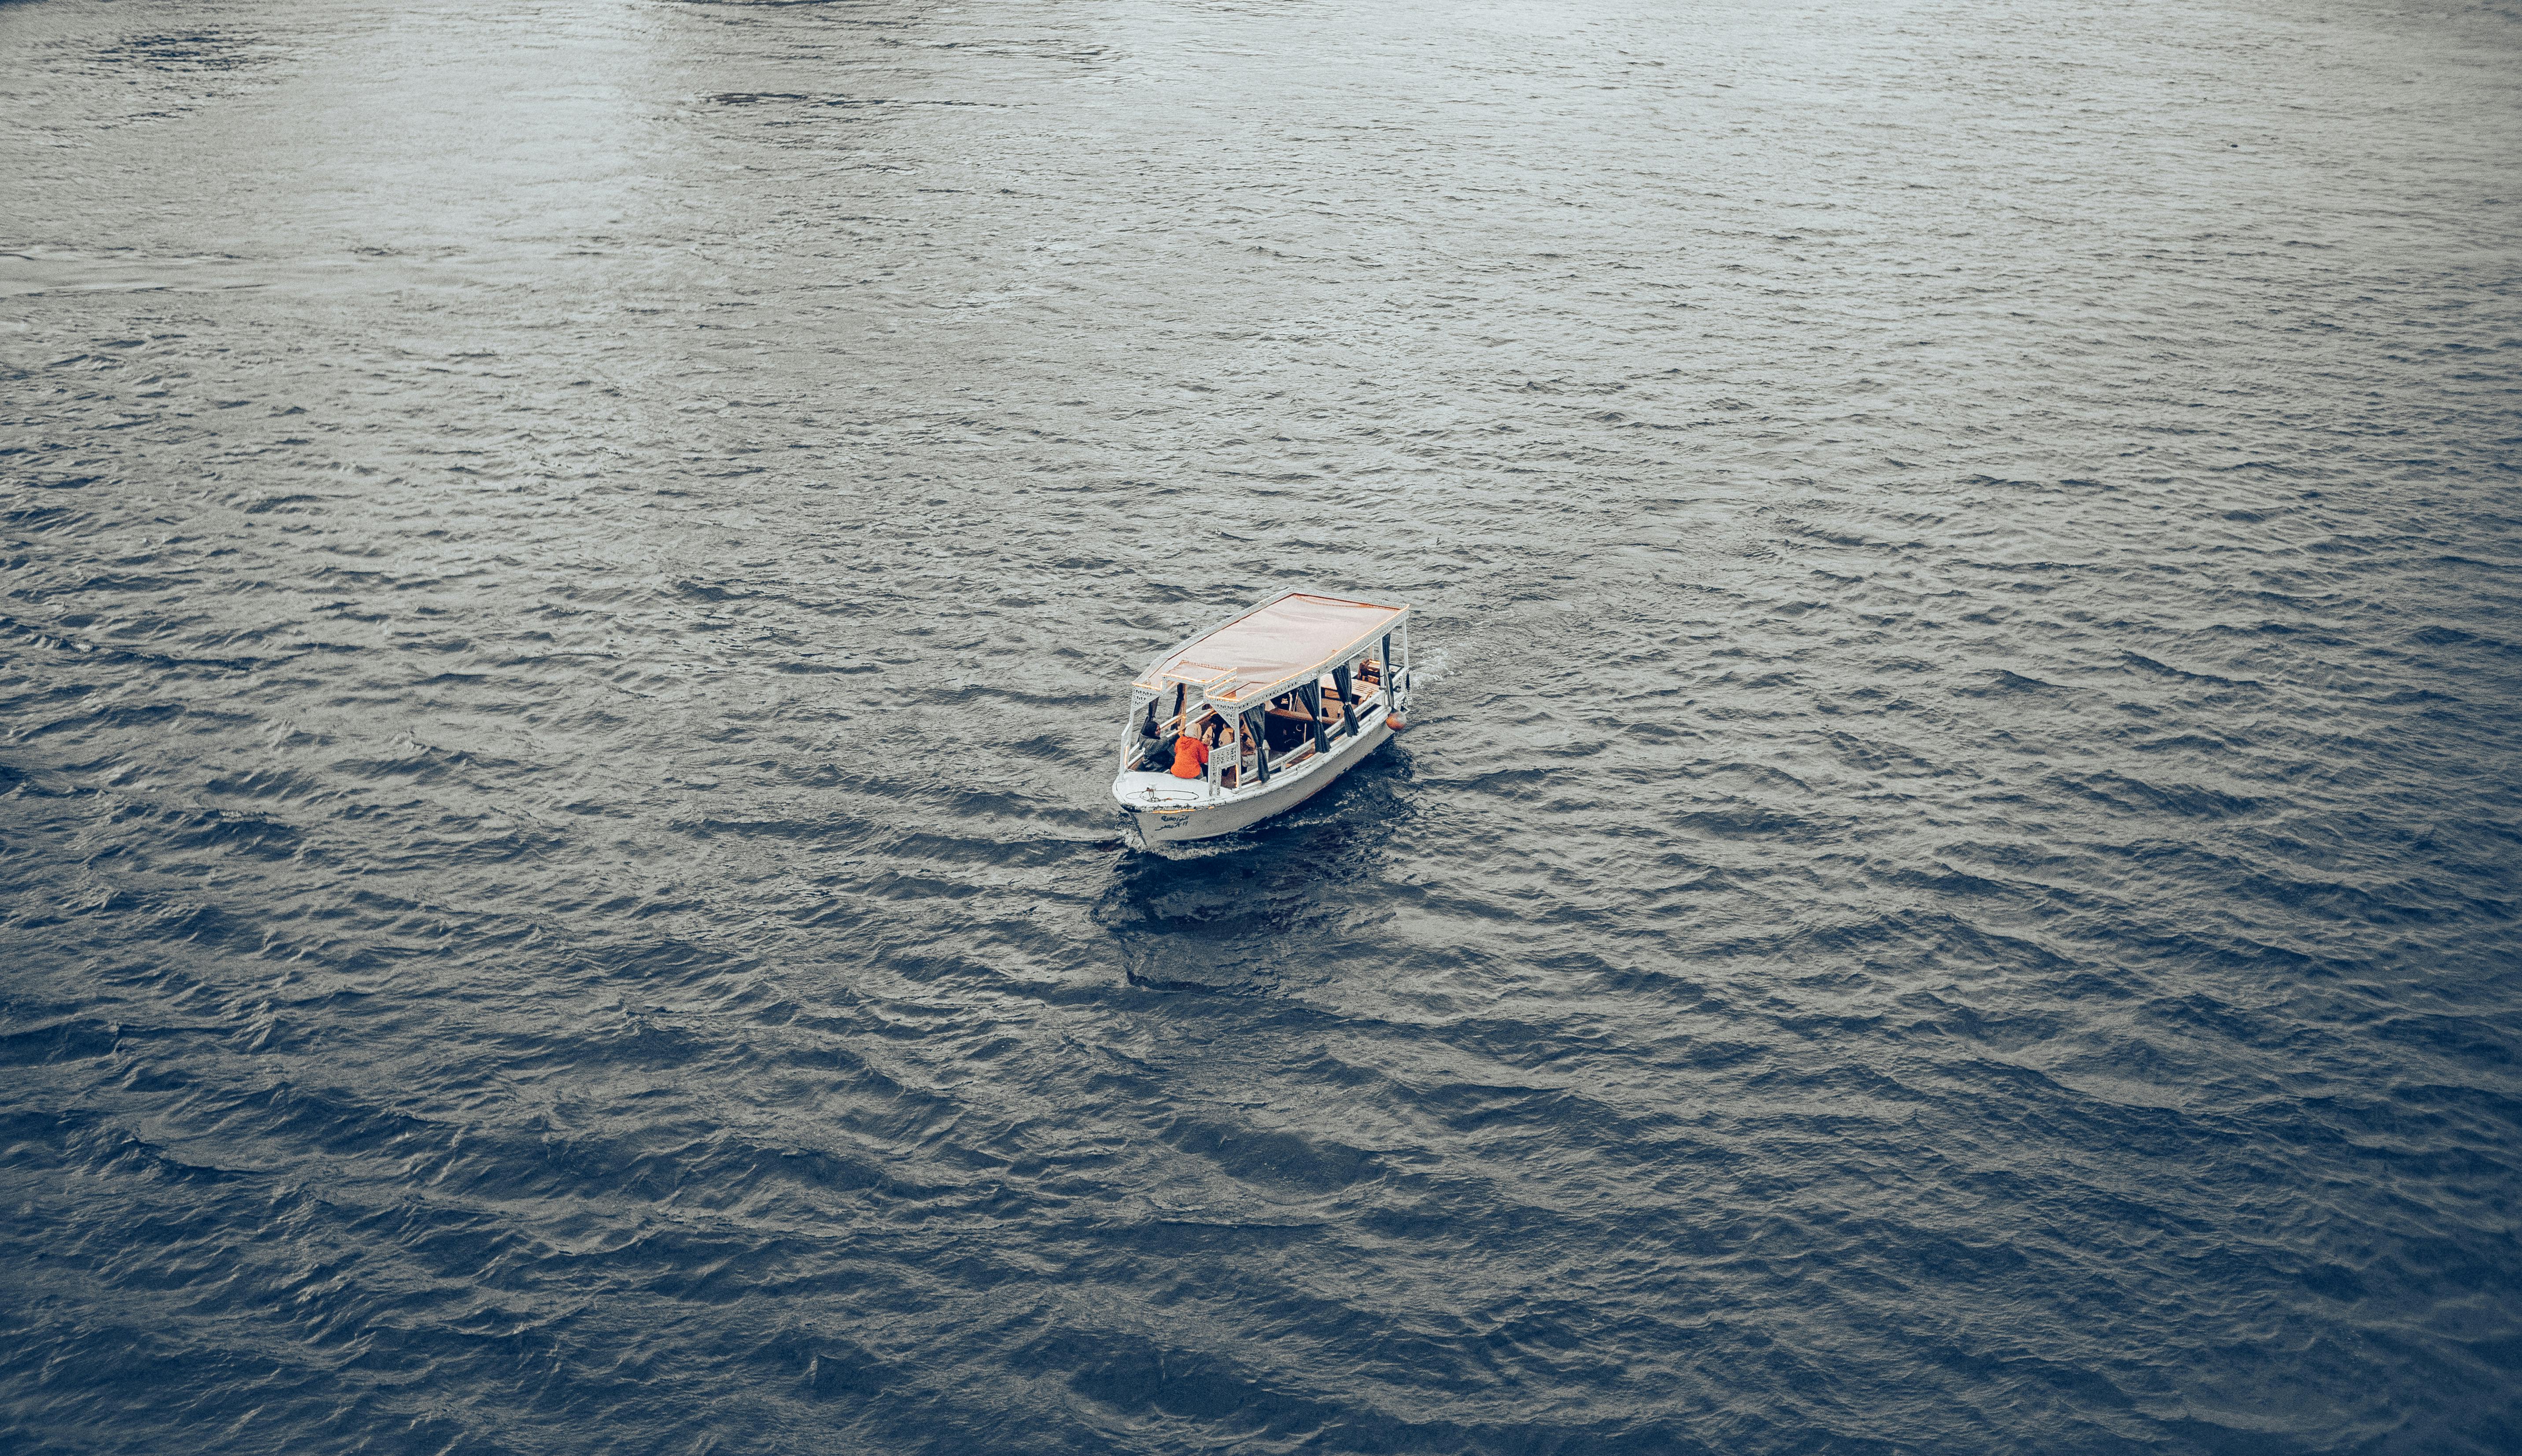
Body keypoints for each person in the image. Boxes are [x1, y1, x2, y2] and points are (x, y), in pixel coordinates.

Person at [1169, 715, 1213, 779]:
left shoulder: (1180, 740)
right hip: (1191, 773)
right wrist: (1205, 746)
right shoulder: (1197, 744)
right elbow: (1204, 760)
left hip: (1176, 771)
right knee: (1201, 774)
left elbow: (1176, 752)